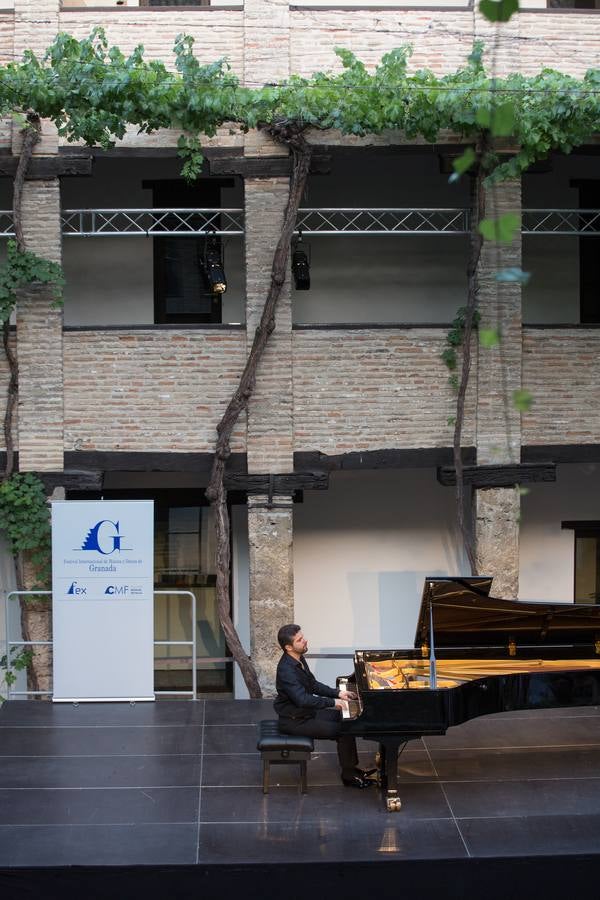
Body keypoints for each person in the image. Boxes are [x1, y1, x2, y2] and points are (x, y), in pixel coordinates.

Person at [274, 623, 375, 789]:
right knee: (344, 730)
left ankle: (351, 769)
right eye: (299, 640)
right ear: (288, 647)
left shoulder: (298, 659)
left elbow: (313, 685)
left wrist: (338, 693)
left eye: (303, 637)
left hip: (305, 713)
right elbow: (303, 700)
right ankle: (349, 776)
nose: (305, 640)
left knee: (347, 722)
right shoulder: (286, 670)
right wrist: (333, 703)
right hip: (294, 721)